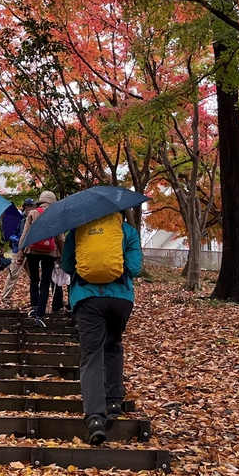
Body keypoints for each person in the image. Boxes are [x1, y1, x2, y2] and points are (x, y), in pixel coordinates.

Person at [59, 209, 143, 446]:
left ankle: (95, 417)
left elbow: (67, 265)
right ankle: (115, 401)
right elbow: (135, 268)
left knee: (91, 355)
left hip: (87, 298)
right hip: (120, 299)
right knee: (114, 346)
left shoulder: (77, 230)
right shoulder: (127, 231)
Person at [20, 190, 62, 326]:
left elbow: (25, 234)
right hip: (50, 252)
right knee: (45, 283)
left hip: (32, 250)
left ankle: (34, 307)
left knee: (34, 280)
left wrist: (21, 253)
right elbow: (61, 238)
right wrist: (61, 255)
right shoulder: (56, 215)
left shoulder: (33, 213)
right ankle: (40, 315)